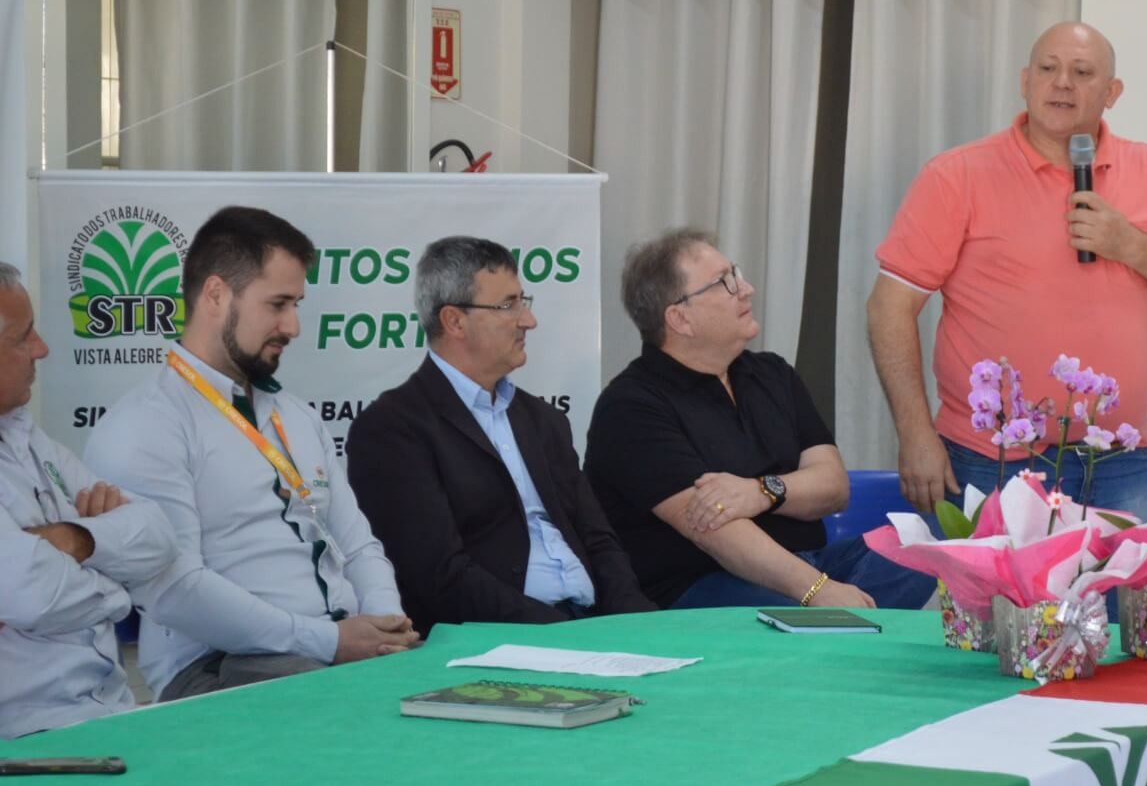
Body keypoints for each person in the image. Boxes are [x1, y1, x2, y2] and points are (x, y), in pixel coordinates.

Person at [867, 21, 1147, 521]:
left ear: (1112, 93)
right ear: (1025, 82)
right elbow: (890, 307)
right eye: (1048, 68)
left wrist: (1129, 244)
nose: (1062, 82)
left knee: (1121, 580)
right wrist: (914, 432)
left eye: (1082, 72)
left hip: (1120, 464)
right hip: (989, 459)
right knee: (986, 580)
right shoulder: (956, 176)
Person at [86, 207, 418, 701]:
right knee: (353, 712)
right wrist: (328, 641)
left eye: (296, 304)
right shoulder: (146, 425)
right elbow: (176, 591)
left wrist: (386, 626)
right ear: (216, 295)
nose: (293, 326)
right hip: (219, 665)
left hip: (332, 647)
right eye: (278, 304)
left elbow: (358, 545)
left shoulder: (297, 415)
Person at [586, 228, 934, 610]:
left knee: (929, 543)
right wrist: (817, 592)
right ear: (680, 318)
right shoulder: (631, 407)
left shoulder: (772, 374)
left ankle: (839, 626)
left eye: (736, 274)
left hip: (813, 564)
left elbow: (833, 487)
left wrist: (761, 492)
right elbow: (714, 530)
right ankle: (838, 625)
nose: (746, 289)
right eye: (725, 282)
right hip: (702, 583)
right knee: (787, 615)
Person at [346, 237, 655, 635]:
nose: (529, 320)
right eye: (508, 306)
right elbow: (438, 576)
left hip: (589, 625)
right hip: (502, 639)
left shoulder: (543, 420)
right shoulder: (393, 429)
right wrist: (562, 634)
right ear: (454, 321)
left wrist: (639, 624)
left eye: (523, 302)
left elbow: (599, 540)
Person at [0, 263, 176, 738]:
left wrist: (75, 539)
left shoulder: (27, 438)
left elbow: (159, 536)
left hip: (112, 714)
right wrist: (119, 586)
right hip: (27, 738)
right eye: (23, 337)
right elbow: (31, 592)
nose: (42, 348)